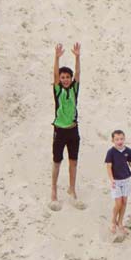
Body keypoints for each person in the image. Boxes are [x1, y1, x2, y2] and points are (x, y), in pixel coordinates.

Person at [51, 43, 82, 208]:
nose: (64, 79)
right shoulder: (58, 90)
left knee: (73, 161)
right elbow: (55, 75)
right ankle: (54, 191)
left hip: (73, 130)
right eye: (62, 77)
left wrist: (77, 57)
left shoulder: (75, 89)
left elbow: (78, 73)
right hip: (59, 130)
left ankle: (72, 189)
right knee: (57, 161)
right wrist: (56, 58)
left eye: (67, 77)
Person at [104, 129, 131, 239]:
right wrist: (111, 179)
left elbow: (130, 163)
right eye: (117, 139)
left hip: (126, 179)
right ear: (112, 140)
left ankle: (120, 222)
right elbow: (108, 167)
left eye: (121, 139)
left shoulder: (128, 150)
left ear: (124, 139)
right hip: (116, 181)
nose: (119, 141)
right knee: (118, 203)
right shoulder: (111, 152)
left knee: (124, 202)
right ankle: (113, 221)